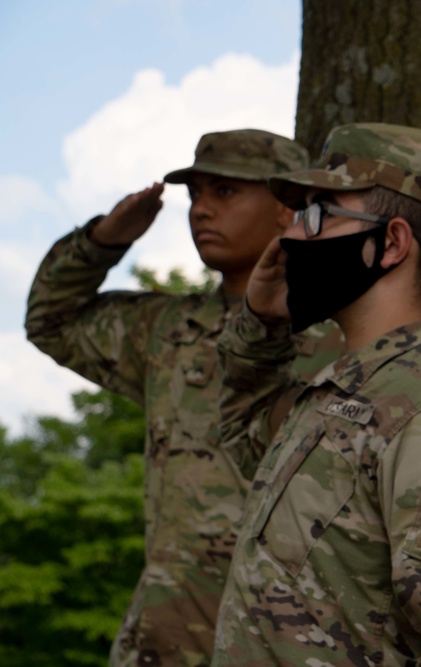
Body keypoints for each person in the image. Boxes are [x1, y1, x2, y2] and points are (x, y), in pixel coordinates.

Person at [211, 122, 421, 665]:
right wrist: (259, 326)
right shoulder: (342, 389)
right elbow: (238, 438)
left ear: (391, 243)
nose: (290, 237)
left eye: (318, 215)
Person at [25, 129, 343, 666]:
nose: (200, 210)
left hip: (281, 639)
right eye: (195, 195)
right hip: (160, 638)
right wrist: (102, 241)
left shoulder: (337, 336)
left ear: (287, 211)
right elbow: (50, 321)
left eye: (225, 192)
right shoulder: (169, 329)